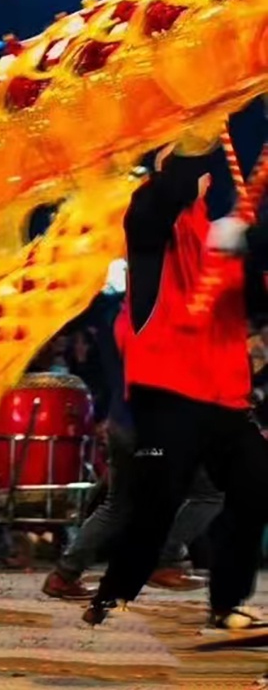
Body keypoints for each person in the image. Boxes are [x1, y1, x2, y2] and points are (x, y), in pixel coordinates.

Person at [84, 148, 268, 631]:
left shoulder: (218, 232)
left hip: (226, 397)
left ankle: (227, 602)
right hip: (168, 391)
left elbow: (255, 302)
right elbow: (167, 191)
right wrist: (194, 129)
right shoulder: (151, 220)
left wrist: (248, 247)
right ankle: (114, 592)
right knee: (156, 501)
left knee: (255, 488)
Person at [42, 279, 218, 601]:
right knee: (210, 491)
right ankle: (163, 560)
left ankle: (64, 576)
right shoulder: (161, 316)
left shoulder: (112, 310)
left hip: (122, 422)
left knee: (118, 505)